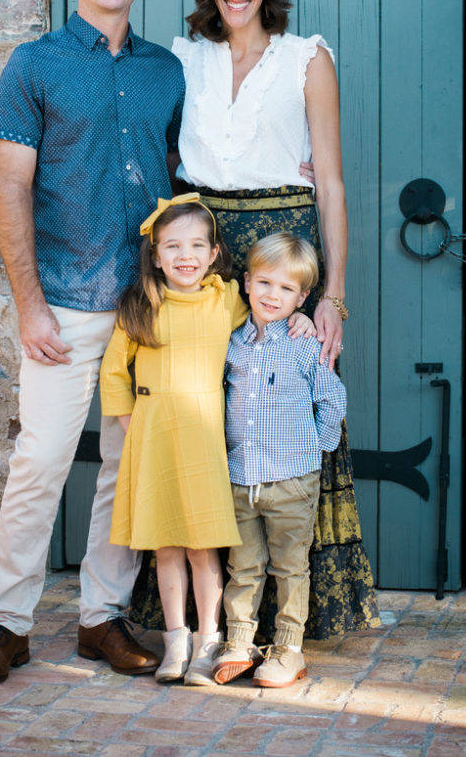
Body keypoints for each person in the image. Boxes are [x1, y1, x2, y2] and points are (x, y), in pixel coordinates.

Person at [132, 0, 379, 640]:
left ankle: (294, 617)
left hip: (280, 254)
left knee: (288, 415)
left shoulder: (307, 58)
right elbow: (165, 165)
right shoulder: (184, 59)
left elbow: (329, 183)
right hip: (206, 256)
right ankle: (212, 619)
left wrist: (333, 294)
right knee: (210, 415)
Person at [0, 0, 185, 686]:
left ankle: (101, 618)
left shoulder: (168, 70)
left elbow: (182, 178)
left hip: (147, 306)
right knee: (43, 460)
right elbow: (11, 191)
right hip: (63, 298)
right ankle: (7, 624)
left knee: (128, 466)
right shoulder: (34, 65)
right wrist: (28, 303)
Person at [100, 195, 316, 686]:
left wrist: (299, 318)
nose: (185, 255)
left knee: (203, 547)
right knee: (167, 547)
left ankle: (208, 642)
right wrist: (130, 420)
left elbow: (269, 310)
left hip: (203, 441)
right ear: (155, 255)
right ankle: (175, 639)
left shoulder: (225, 300)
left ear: (215, 252)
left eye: (197, 244)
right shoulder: (141, 305)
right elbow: (114, 368)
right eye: (172, 246)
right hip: (154, 439)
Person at [212, 233, 346, 688]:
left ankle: (289, 648)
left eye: (287, 289)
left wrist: (318, 449)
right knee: (242, 566)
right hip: (240, 474)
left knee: (290, 566)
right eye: (265, 283)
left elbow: (332, 399)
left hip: (292, 477)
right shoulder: (231, 342)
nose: (273, 295)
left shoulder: (305, 345)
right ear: (247, 283)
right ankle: (239, 642)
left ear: (303, 296)